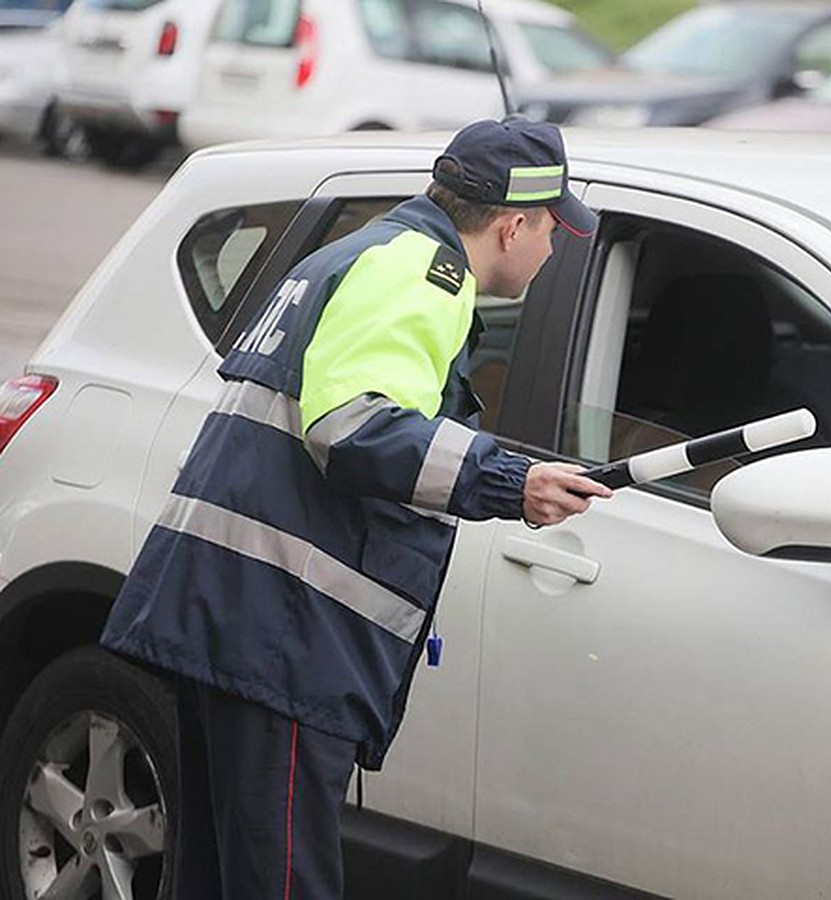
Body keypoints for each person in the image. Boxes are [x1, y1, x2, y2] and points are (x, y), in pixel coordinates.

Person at [99, 116, 612, 900]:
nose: (552, 252)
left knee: (214, 876)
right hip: (283, 635)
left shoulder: (368, 250)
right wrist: (511, 480)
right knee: (279, 884)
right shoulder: (423, 274)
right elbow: (350, 426)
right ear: (513, 226)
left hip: (234, 613)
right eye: (552, 232)